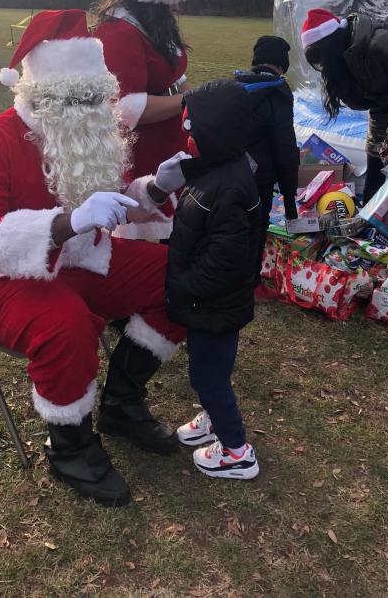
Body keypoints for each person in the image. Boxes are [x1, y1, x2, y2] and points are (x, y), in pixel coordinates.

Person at [0, 10, 189, 508]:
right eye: (76, 100)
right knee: (65, 322)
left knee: (182, 280)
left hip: (79, 257)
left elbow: (114, 198)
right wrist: (66, 223)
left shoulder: (90, 139)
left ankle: (121, 402)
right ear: (40, 97)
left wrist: (156, 186)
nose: (90, 111)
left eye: (97, 99)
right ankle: (69, 445)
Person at [165, 80, 261, 480]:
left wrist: (185, 285)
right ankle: (212, 417)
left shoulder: (226, 188)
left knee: (208, 376)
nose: (186, 136)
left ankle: (237, 451)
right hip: (214, 304)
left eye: (192, 129)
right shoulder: (222, 170)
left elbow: (226, 258)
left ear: (215, 133)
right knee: (211, 371)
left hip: (212, 302)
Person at [93, 0, 194, 239]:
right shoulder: (119, 31)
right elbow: (126, 108)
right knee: (151, 225)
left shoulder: (157, 25)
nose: (178, 7)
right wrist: (189, 100)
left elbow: (175, 72)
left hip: (169, 141)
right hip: (144, 150)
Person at [301, 8, 388, 204]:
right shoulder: (342, 59)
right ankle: (369, 219)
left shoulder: (382, 43)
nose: (321, 65)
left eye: (320, 57)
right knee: (375, 154)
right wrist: (345, 89)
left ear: (330, 45)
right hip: (385, 101)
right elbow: (365, 103)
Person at [234, 35, 299, 286]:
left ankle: (227, 273)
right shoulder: (278, 92)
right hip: (260, 178)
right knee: (256, 227)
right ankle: (250, 284)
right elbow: (284, 146)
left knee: (232, 224)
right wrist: (290, 195)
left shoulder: (237, 84)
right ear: (282, 65)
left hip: (231, 170)